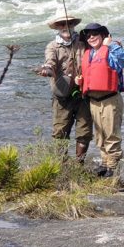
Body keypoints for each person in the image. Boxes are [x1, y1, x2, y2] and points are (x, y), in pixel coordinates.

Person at [35, 15, 93, 164]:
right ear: (57, 27)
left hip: (83, 96)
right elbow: (50, 63)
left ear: (73, 24)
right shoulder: (52, 46)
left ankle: (79, 166)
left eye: (68, 23)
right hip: (62, 98)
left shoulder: (83, 42)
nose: (65, 26)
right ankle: (63, 166)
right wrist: (46, 71)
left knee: (84, 133)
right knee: (60, 134)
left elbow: (99, 50)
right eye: (61, 24)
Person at [76, 23, 124, 177]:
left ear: (104, 36)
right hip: (93, 101)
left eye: (95, 34)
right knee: (100, 135)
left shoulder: (111, 50)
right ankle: (105, 163)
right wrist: (79, 80)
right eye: (88, 35)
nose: (91, 37)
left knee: (112, 134)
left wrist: (111, 46)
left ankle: (112, 168)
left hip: (110, 100)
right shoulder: (88, 54)